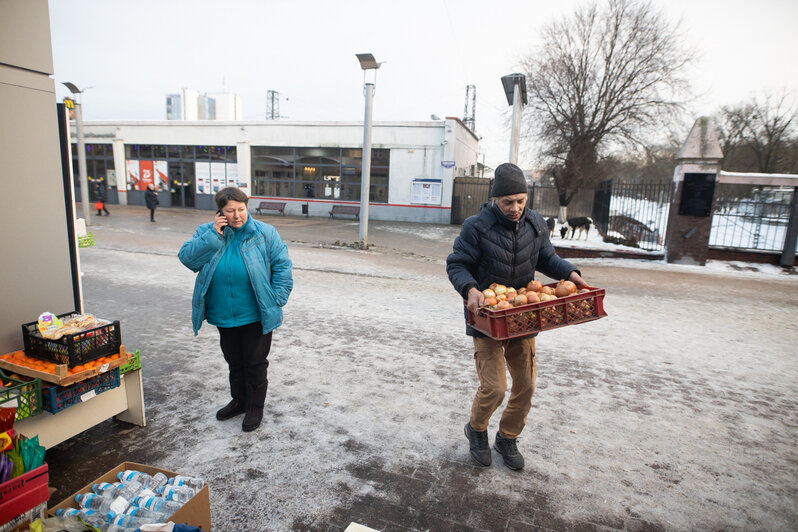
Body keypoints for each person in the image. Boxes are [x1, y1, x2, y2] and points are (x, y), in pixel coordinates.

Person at [446, 163, 587, 471]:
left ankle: (508, 437)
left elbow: (546, 258)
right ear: (495, 199)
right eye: (508, 202)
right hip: (487, 318)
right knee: (495, 387)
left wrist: (570, 273)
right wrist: (470, 290)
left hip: (523, 317)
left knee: (526, 385)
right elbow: (457, 264)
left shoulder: (535, 223)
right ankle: (477, 429)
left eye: (521, 201)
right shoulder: (476, 226)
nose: (515, 208)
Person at [178, 187, 293, 432]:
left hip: (256, 313)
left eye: (241, 209)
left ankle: (254, 408)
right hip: (223, 313)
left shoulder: (264, 233)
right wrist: (213, 235)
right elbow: (188, 259)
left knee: (254, 362)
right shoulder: (207, 233)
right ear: (220, 211)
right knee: (234, 361)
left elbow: (282, 266)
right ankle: (239, 401)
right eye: (231, 210)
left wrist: (277, 298)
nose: (238, 215)